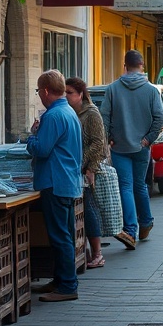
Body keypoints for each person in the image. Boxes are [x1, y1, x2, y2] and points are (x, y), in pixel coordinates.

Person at [100, 49, 163, 250]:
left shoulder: (112, 89)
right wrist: (147, 139)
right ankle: (146, 222)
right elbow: (160, 118)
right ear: (142, 66)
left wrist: (110, 137)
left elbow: (104, 117)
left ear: (125, 66)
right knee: (140, 186)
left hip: (120, 147)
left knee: (125, 187)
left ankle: (130, 230)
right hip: (141, 147)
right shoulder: (151, 90)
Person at [27, 70, 83, 302]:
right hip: (67, 181)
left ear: (46, 91)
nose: (39, 95)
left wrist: (32, 136)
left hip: (55, 181)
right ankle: (61, 280)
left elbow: (41, 149)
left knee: (60, 236)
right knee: (64, 234)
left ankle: (67, 286)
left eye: (39, 91)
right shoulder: (69, 111)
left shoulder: (52, 116)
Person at [65, 76, 108, 269]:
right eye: (64, 92)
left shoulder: (91, 113)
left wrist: (88, 166)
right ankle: (86, 252)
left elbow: (99, 142)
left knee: (89, 210)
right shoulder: (70, 113)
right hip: (75, 170)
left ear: (81, 94)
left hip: (89, 169)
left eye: (70, 93)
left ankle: (98, 253)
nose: (66, 96)